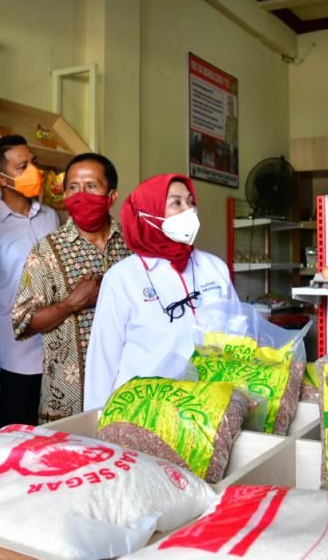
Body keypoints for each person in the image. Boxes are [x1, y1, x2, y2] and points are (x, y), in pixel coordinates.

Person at [83, 173, 242, 410]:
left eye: (190, 202)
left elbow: (239, 335)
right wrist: (97, 418)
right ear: (149, 213)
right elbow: (103, 360)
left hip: (210, 405)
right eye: (176, 203)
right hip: (144, 410)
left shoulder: (214, 268)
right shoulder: (122, 277)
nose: (189, 210)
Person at [12, 153, 130, 423]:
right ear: (64, 195)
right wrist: (71, 303)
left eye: (91, 186)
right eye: (73, 187)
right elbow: (22, 323)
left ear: (111, 196)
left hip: (128, 394)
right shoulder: (46, 251)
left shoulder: (132, 246)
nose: (81, 195)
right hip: (67, 403)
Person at [0, 135, 59, 426]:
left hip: (54, 356)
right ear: (1, 179)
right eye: (22, 167)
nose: (34, 171)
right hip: (12, 358)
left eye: (34, 162)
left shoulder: (50, 217)